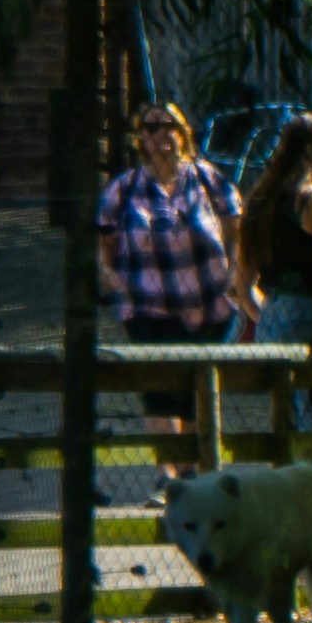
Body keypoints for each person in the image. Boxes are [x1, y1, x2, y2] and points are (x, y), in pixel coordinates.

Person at [96, 105, 242, 450]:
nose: (160, 134)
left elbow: (237, 233)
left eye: (168, 125)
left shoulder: (209, 180)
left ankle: (198, 472)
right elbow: (104, 251)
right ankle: (168, 477)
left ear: (183, 132)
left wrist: (236, 279)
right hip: (150, 313)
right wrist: (122, 287)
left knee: (198, 392)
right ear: (140, 138)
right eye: (149, 127)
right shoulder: (124, 189)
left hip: (208, 307)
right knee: (159, 394)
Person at [234, 111, 312, 345]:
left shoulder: (260, 198)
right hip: (310, 307)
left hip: (271, 309)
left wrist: (270, 315)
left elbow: (241, 286)